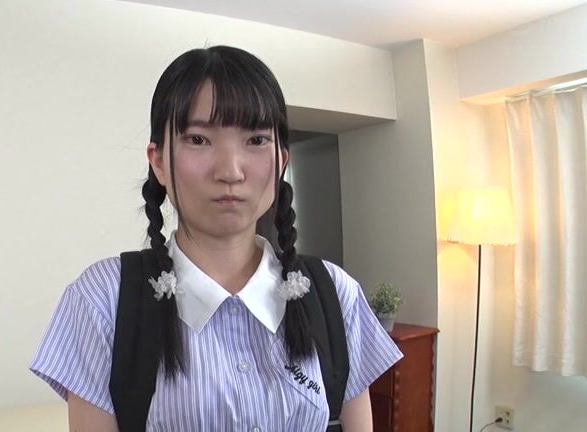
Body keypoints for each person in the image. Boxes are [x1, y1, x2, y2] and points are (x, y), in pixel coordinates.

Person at [29, 45, 403, 432]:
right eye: (198, 139)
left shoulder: (335, 294)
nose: (230, 171)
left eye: (256, 140)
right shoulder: (102, 300)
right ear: (158, 161)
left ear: (282, 160)